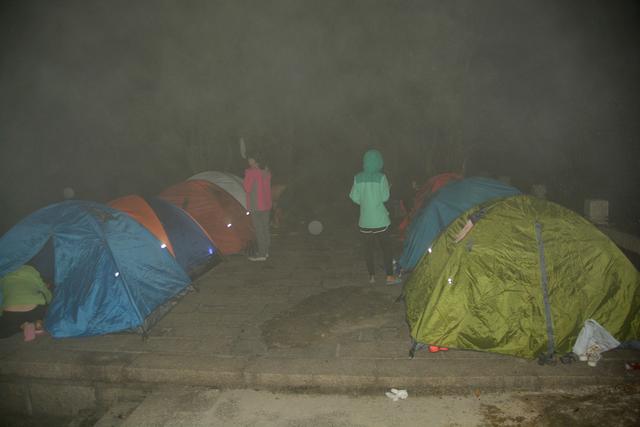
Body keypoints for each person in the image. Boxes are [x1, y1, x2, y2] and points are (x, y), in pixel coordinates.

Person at [349, 149, 401, 285]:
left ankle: (371, 276)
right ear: (379, 161)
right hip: (380, 221)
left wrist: (365, 202)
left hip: (365, 221)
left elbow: (354, 197)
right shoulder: (382, 177)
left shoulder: (357, 177)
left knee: (368, 249)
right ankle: (389, 277)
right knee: (386, 248)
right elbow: (385, 197)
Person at [0, 265, 52, 341]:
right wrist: (50, 302)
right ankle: (38, 322)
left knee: (5, 328)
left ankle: (22, 326)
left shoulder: (3, 271)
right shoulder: (29, 269)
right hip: (35, 307)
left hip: (12, 312)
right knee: (43, 310)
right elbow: (43, 289)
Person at [243, 152, 272, 261]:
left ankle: (262, 254)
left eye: (250, 159)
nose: (248, 161)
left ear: (255, 161)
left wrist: (247, 176)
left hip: (256, 205)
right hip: (266, 204)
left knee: (259, 230)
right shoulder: (266, 172)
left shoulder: (251, 173)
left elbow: (247, 188)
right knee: (265, 228)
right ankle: (266, 251)